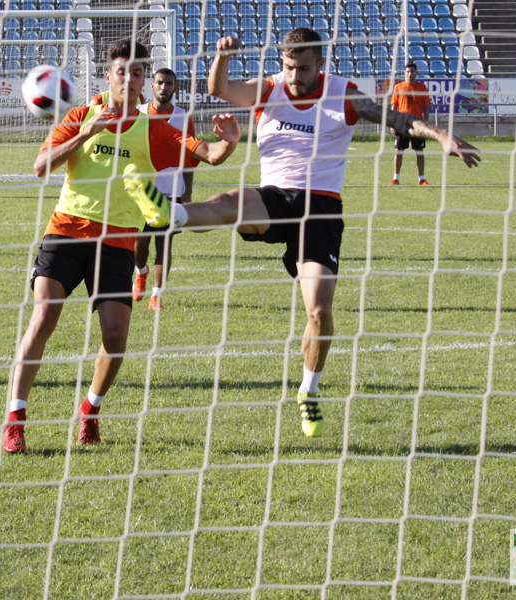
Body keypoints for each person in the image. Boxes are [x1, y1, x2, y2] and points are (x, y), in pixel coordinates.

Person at [126, 29, 480, 437]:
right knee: (230, 201)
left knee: (319, 311)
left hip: (322, 209)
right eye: (290, 66)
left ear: (321, 66)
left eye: (304, 68)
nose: (295, 76)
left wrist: (440, 135)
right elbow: (220, 88)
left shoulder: (342, 93)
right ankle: (170, 214)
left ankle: (309, 391)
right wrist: (223, 56)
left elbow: (396, 119)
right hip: (277, 197)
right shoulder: (271, 88)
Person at [0, 39, 241, 454]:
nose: (130, 79)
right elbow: (42, 166)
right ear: (108, 76)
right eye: (122, 72)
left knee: (116, 335)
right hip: (67, 231)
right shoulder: (80, 115)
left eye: (138, 73)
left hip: (117, 242)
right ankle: (15, 419)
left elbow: (210, 155)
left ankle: (90, 410)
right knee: (44, 317)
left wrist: (230, 142)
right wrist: (86, 134)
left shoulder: (156, 130)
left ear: (144, 81)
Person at [132, 67, 198, 311]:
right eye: (159, 82)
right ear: (152, 85)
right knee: (140, 243)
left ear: (175, 87)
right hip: (140, 190)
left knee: (165, 243)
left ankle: (157, 296)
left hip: (171, 191)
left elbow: (191, 158)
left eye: (168, 83)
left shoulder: (183, 118)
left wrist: (188, 192)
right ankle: (141, 272)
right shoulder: (136, 114)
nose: (163, 87)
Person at [388, 62, 433, 186]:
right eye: (407, 72)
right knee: (399, 151)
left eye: (412, 71)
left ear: (416, 73)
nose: (410, 74)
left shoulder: (422, 88)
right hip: (402, 124)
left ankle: (422, 179)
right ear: (404, 73)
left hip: (417, 125)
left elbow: (426, 107)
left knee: (419, 152)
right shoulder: (398, 87)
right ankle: (395, 178)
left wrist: (426, 124)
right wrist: (392, 123)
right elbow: (394, 106)